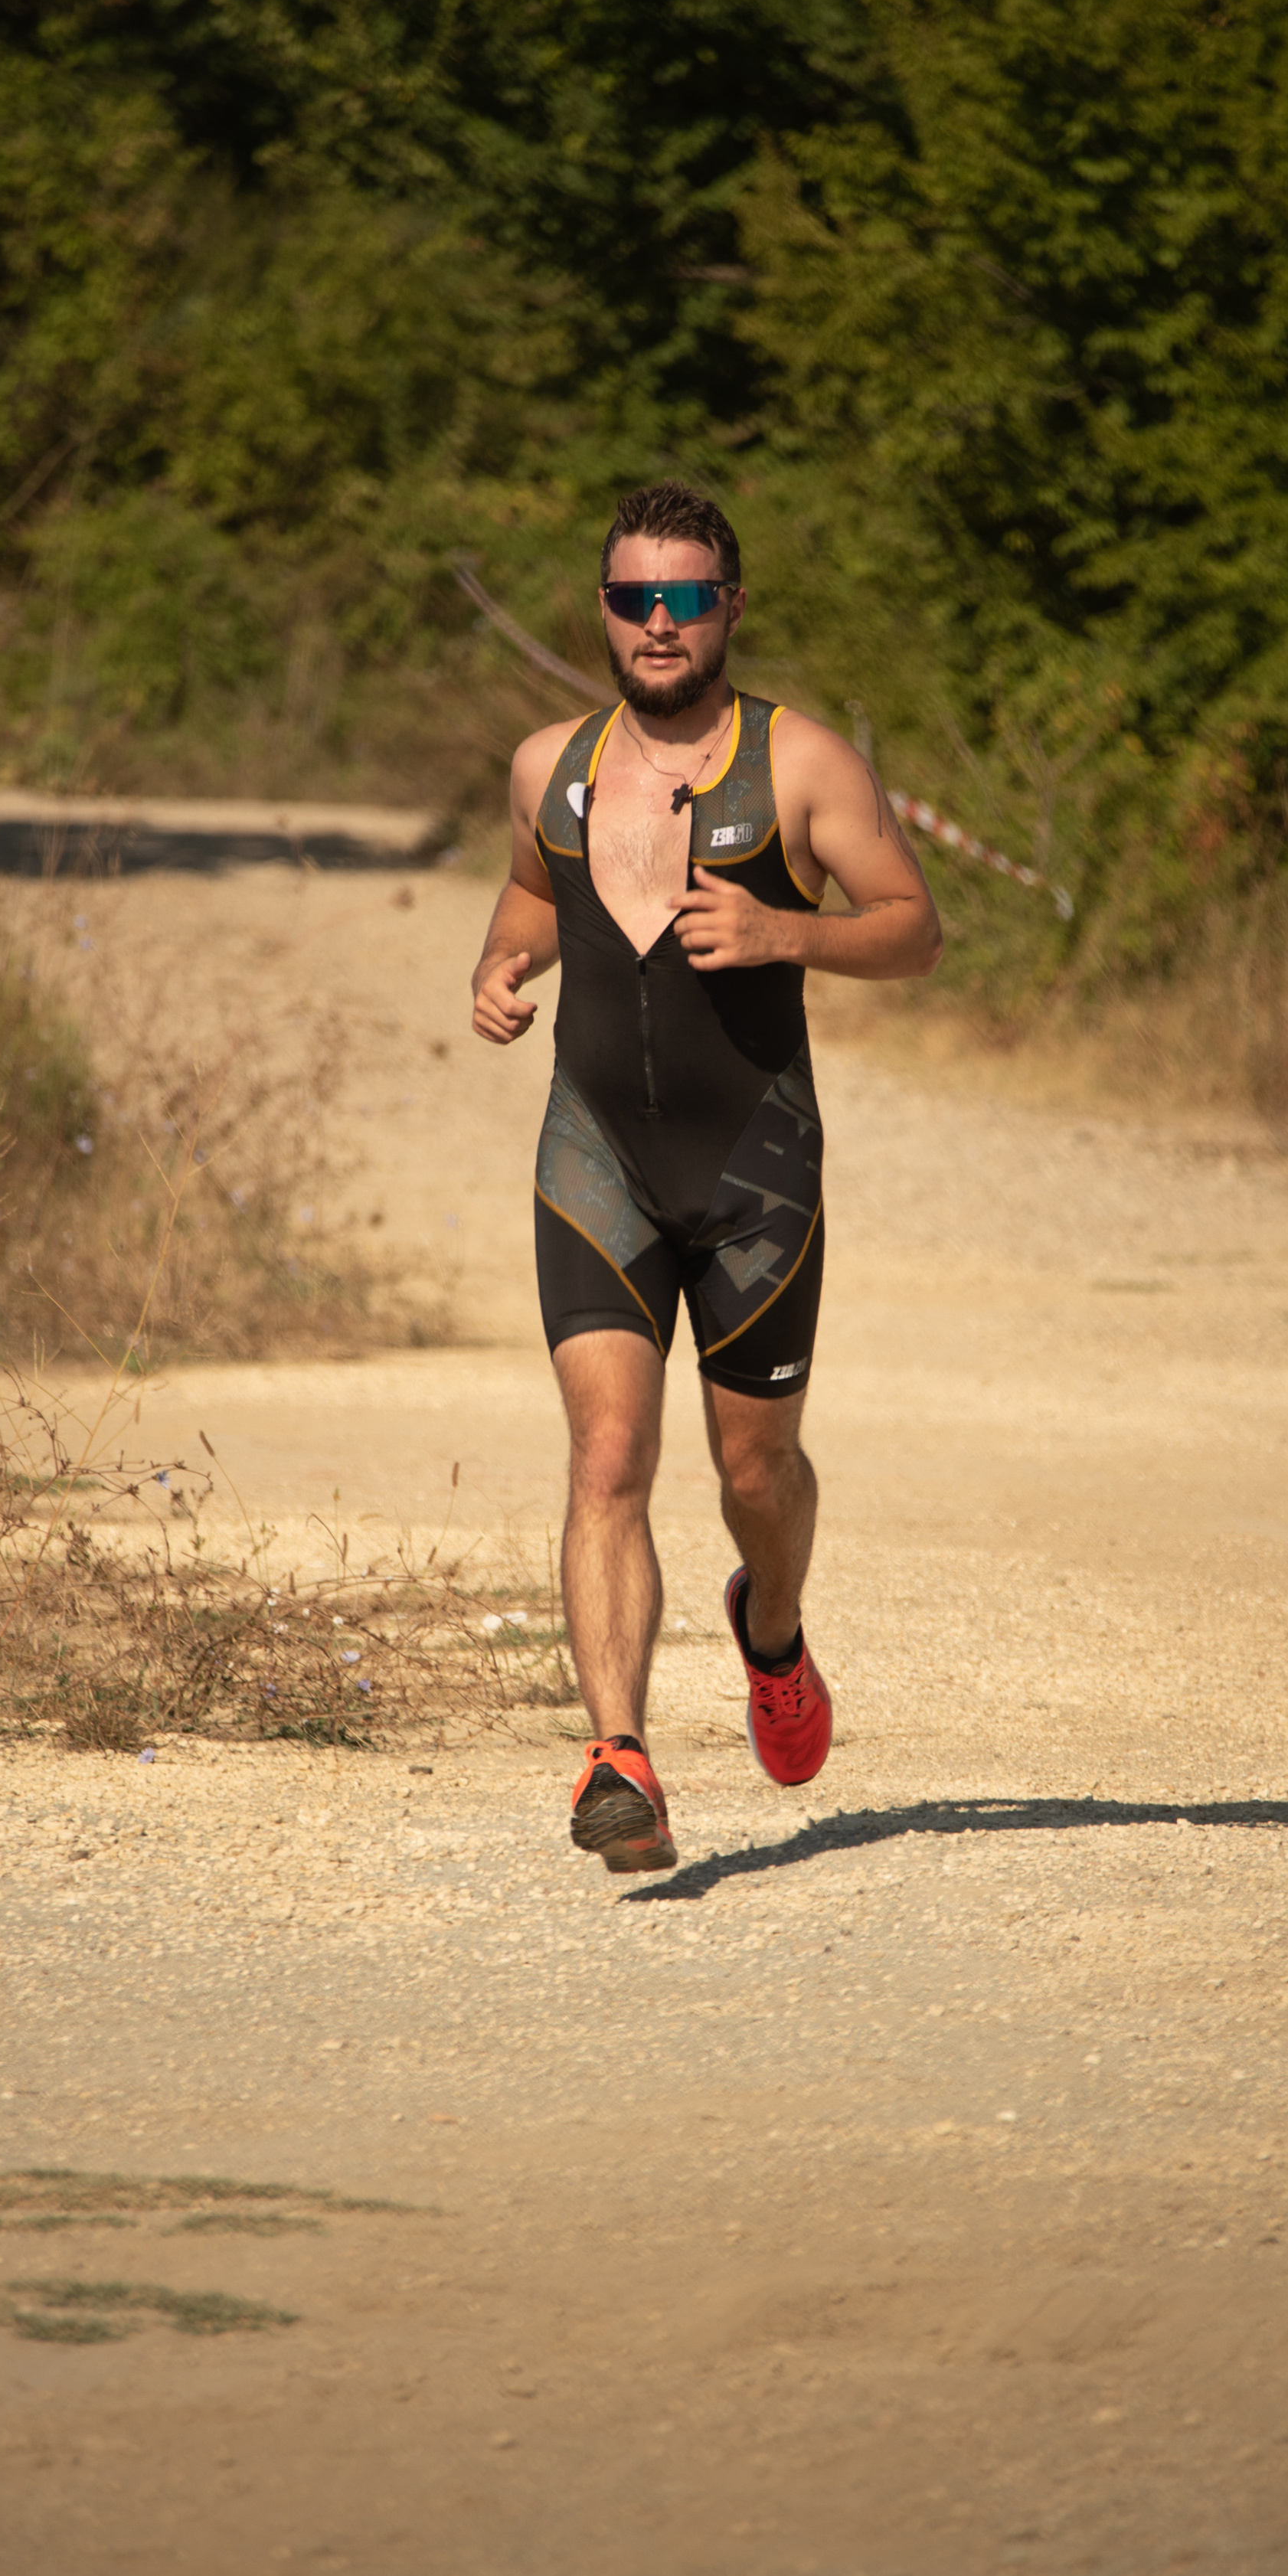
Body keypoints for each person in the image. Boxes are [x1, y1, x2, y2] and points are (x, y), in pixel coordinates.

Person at [470, 480, 943, 1873]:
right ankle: (619, 1759)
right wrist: (502, 968)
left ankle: (774, 1631)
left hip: (755, 1172)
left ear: (731, 604)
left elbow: (915, 930)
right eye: (634, 598)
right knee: (608, 1454)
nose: (659, 622)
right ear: (603, 609)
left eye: (686, 597)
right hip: (596, 1157)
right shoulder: (545, 764)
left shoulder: (799, 762)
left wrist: (784, 932)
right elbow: (534, 894)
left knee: (759, 1468)